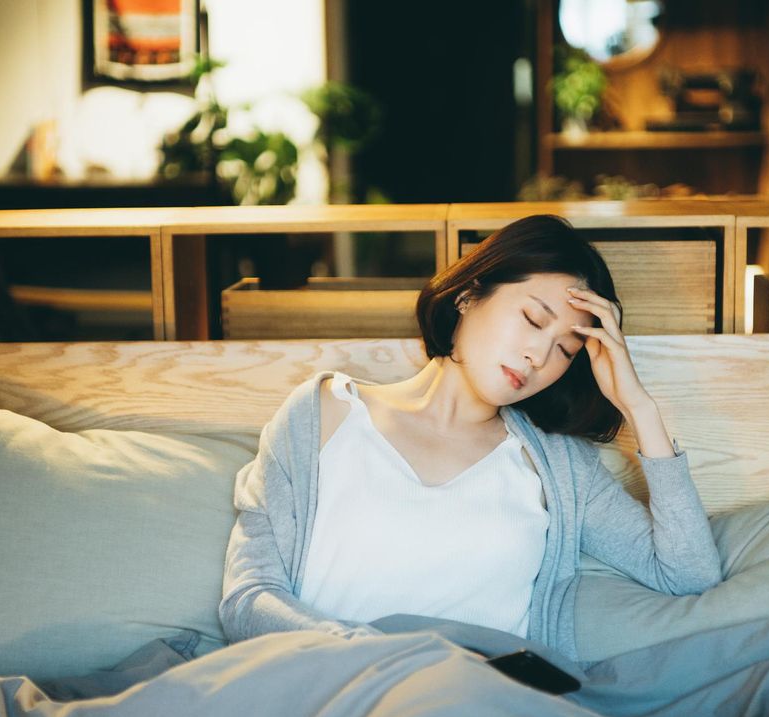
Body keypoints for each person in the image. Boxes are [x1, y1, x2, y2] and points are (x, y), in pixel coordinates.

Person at [219, 214, 721, 661]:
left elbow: (688, 574)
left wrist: (640, 407)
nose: (538, 357)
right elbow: (249, 597)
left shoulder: (558, 466)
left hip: (479, 714)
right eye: (532, 319)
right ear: (467, 295)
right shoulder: (323, 412)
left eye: (566, 350)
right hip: (329, 698)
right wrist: (374, 660)